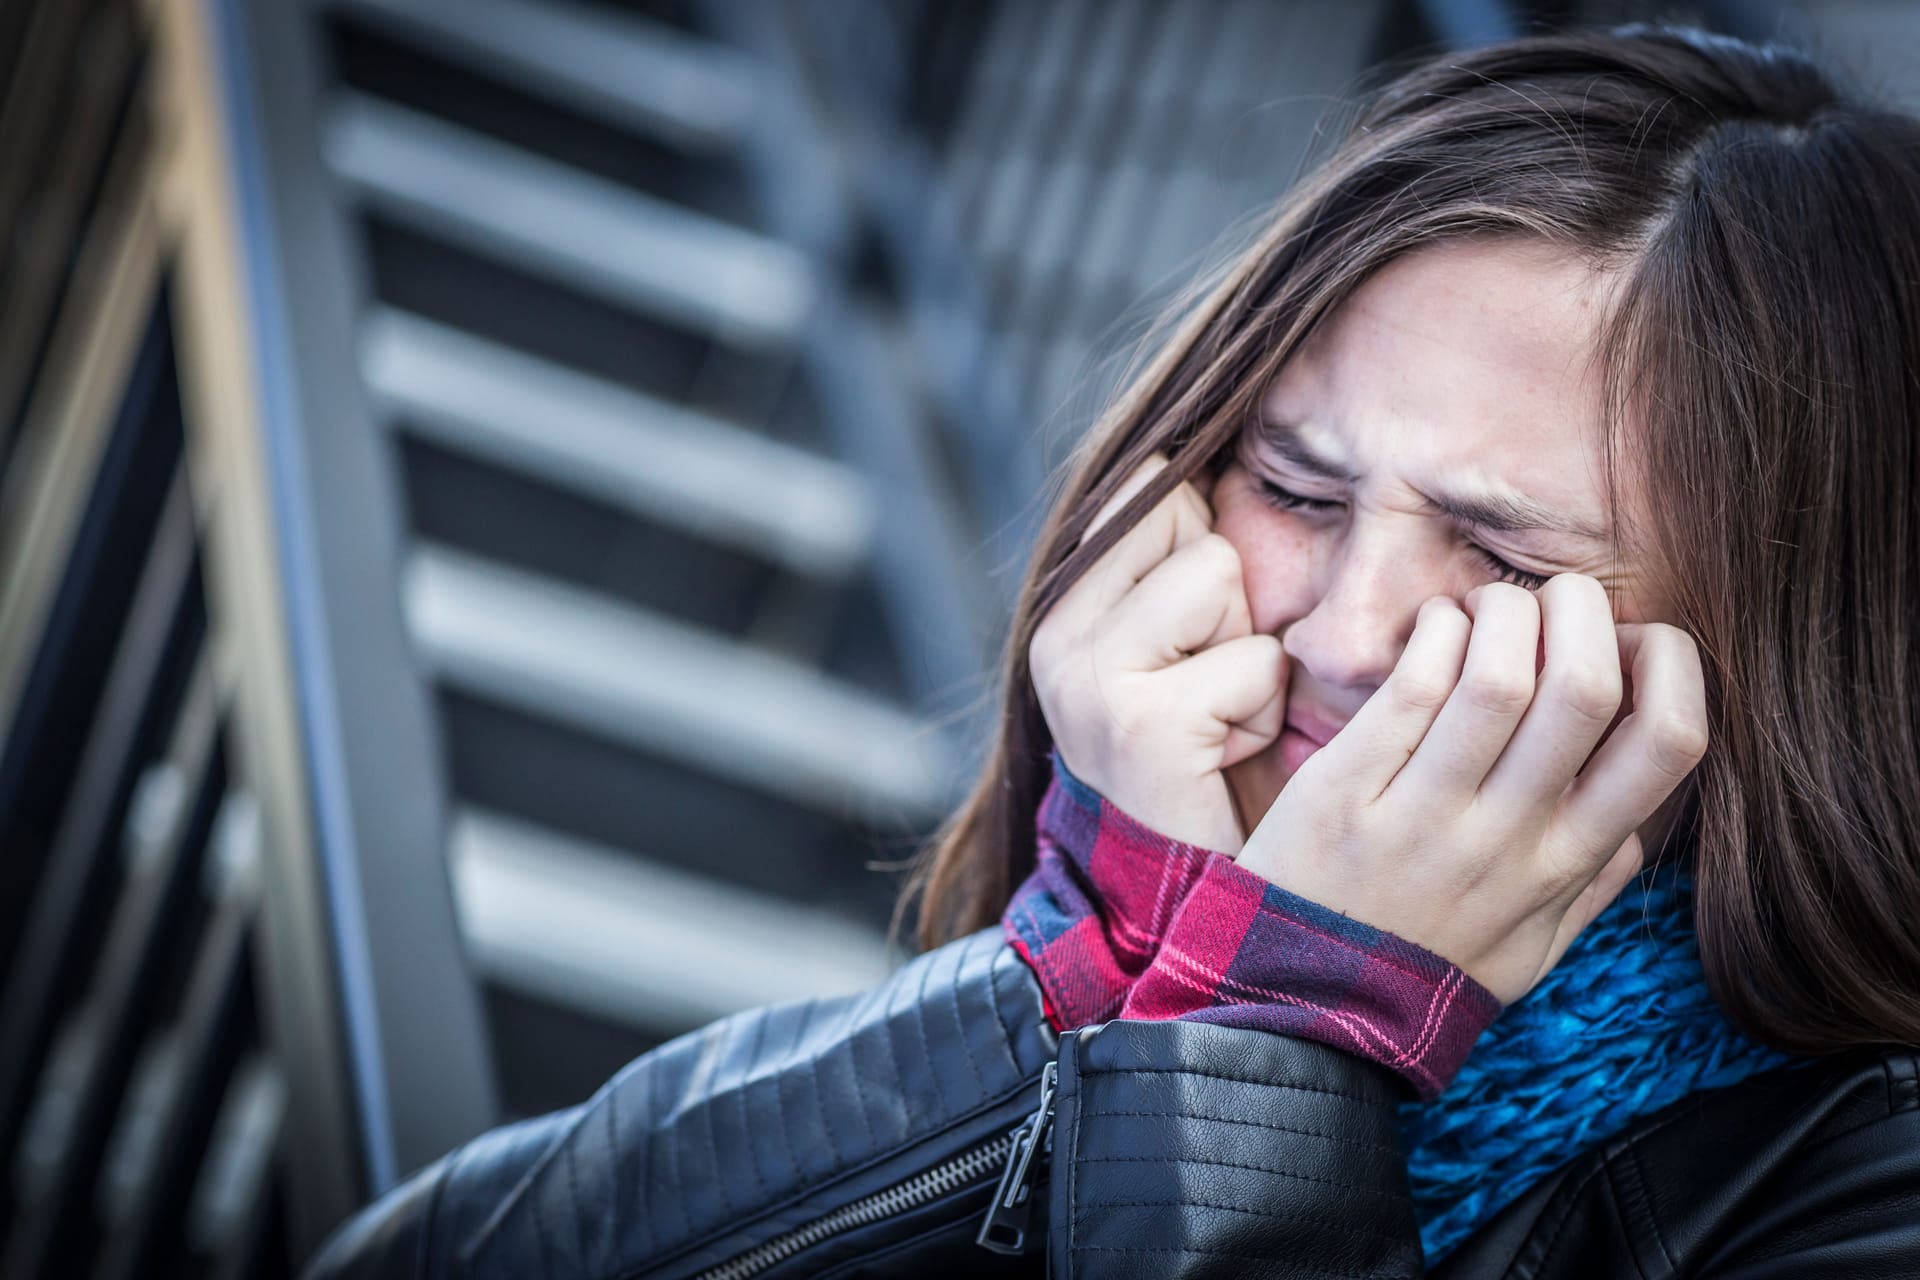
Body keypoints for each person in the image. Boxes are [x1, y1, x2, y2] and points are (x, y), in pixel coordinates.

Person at [303, 22, 1920, 1279]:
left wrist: (1280, 1065)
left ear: (1794, 663)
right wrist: (1101, 974)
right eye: (1295, 485)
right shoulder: (1152, 929)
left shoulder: (1861, 1194)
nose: (1340, 631)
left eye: (1501, 556)